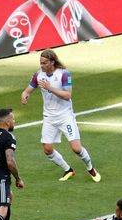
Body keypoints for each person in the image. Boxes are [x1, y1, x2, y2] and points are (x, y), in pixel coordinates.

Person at [20, 49, 101, 182]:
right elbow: (27, 90)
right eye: (40, 63)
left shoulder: (64, 74)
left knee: (76, 148)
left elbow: (67, 95)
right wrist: (25, 96)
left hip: (65, 117)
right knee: (47, 149)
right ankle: (68, 170)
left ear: (52, 62)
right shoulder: (38, 75)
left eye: (44, 63)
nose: (42, 65)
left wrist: (50, 88)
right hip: (49, 118)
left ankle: (91, 168)